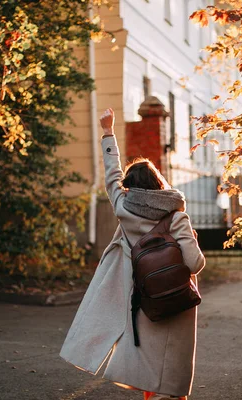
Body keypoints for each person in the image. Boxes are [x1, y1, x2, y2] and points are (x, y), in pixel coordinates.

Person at [60, 108, 206, 400]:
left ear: (130, 187)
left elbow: (112, 176)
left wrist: (108, 132)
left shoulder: (124, 209)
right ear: (158, 182)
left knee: (145, 360)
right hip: (176, 297)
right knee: (171, 362)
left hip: (141, 295)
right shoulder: (177, 215)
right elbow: (195, 263)